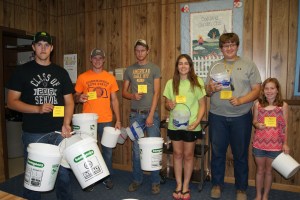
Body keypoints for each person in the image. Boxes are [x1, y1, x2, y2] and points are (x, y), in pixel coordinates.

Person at [6, 31, 75, 200]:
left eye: (46, 45)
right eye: (39, 44)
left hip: (59, 132)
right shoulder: (22, 71)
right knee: (34, 178)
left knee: (64, 176)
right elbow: (12, 102)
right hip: (33, 133)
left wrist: (66, 123)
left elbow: (70, 102)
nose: (43, 48)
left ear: (51, 48)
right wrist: (37, 108)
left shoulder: (61, 72)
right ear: (33, 47)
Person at [205, 32, 262, 200]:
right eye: (225, 45)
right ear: (221, 48)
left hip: (241, 117)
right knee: (217, 153)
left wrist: (241, 100)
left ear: (237, 46)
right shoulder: (215, 66)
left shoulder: (248, 64)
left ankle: (241, 189)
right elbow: (207, 91)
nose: (229, 48)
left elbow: (257, 90)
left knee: (240, 154)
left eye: (232, 45)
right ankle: (216, 185)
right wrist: (211, 89)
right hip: (217, 116)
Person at [74, 48, 121, 190]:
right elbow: (75, 97)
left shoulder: (110, 78)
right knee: (88, 150)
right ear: (90, 59)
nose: (97, 60)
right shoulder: (83, 77)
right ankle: (89, 179)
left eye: (100, 58)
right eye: (95, 58)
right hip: (87, 121)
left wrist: (118, 120)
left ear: (104, 60)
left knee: (107, 151)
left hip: (106, 119)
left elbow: (114, 100)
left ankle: (107, 177)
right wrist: (79, 98)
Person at [163, 54, 206, 200]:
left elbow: (202, 105)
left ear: (190, 66)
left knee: (188, 155)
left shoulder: (197, 82)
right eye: (180, 63)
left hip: (191, 126)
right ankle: (178, 185)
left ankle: (186, 186)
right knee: (177, 154)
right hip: (175, 126)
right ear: (177, 66)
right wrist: (168, 104)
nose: (183, 66)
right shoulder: (170, 83)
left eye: (186, 63)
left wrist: (197, 122)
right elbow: (166, 103)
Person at [122, 39, 161, 194]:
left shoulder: (154, 68)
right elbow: (124, 92)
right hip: (135, 115)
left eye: (142, 50)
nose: (140, 53)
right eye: (137, 50)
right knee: (137, 150)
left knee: (154, 149)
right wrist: (132, 95)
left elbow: (157, 93)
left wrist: (151, 115)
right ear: (135, 51)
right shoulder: (129, 70)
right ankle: (137, 180)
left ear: (147, 51)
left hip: (151, 114)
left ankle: (155, 181)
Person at [252, 78, 289, 200]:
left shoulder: (283, 106)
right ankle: (258, 195)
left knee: (269, 171)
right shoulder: (258, 104)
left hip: (275, 145)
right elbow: (254, 121)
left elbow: (285, 126)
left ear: (277, 90)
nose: (269, 91)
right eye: (266, 88)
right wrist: (257, 125)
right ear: (263, 90)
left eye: (272, 88)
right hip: (259, 144)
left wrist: (285, 143)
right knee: (260, 170)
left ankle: (265, 196)